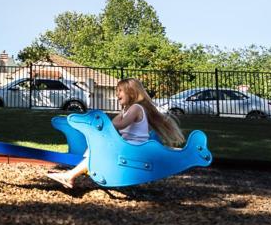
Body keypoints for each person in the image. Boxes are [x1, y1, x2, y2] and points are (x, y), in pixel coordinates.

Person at [47, 77, 185, 189]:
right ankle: (81, 170)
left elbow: (120, 125)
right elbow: (113, 125)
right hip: (127, 144)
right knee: (100, 147)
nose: (116, 94)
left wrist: (104, 124)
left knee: (101, 150)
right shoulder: (126, 110)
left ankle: (70, 176)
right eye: (116, 91)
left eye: (120, 91)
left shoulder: (136, 108)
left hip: (134, 147)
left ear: (131, 92)